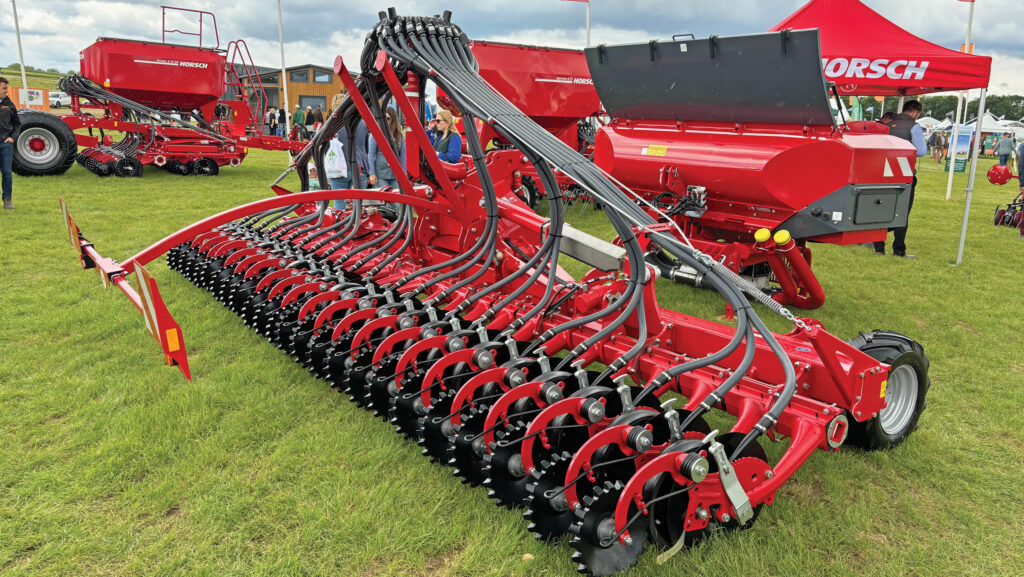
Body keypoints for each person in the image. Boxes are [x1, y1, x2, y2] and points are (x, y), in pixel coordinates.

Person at [874, 100, 926, 259]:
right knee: (902, 212)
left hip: (884, 173)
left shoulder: (887, 126)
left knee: (882, 210)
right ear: (915, 113)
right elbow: (921, 151)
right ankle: (898, 250)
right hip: (904, 174)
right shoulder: (914, 127)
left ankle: (879, 248)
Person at [367, 110, 407, 192]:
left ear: (393, 120)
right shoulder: (375, 133)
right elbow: (370, 155)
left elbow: (403, 156)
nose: (384, 121)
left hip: (396, 174)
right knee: (386, 202)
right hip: (380, 174)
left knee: (396, 203)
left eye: (387, 118)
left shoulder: (399, 135)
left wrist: (404, 174)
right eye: (382, 118)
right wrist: (372, 173)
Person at [0, 77, 19, 210]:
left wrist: (12, 138)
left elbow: (17, 123)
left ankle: (7, 200)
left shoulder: (9, 104)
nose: (7, 90)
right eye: (4, 88)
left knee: (7, 173)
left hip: (5, 144)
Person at [325, 129, 350, 210]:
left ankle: (340, 222)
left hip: (338, 169)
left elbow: (325, 147)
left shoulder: (334, 125)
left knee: (339, 203)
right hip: (358, 166)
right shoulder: (362, 124)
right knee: (357, 204)